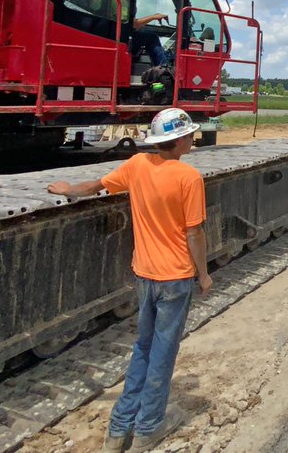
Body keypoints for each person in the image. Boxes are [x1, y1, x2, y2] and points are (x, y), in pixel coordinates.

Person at [46, 108, 211, 451]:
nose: (193, 139)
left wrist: (69, 189)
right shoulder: (188, 177)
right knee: (163, 351)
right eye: (189, 134)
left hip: (145, 274)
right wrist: (204, 274)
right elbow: (194, 233)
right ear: (177, 140)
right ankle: (149, 429)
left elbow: (97, 185)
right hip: (175, 277)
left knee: (144, 347)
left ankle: (119, 429)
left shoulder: (137, 165)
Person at [112, 0, 171, 67]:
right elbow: (133, 25)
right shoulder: (118, 0)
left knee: (144, 33)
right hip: (119, 38)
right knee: (152, 38)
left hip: (113, 34)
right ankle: (164, 70)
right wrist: (154, 17)